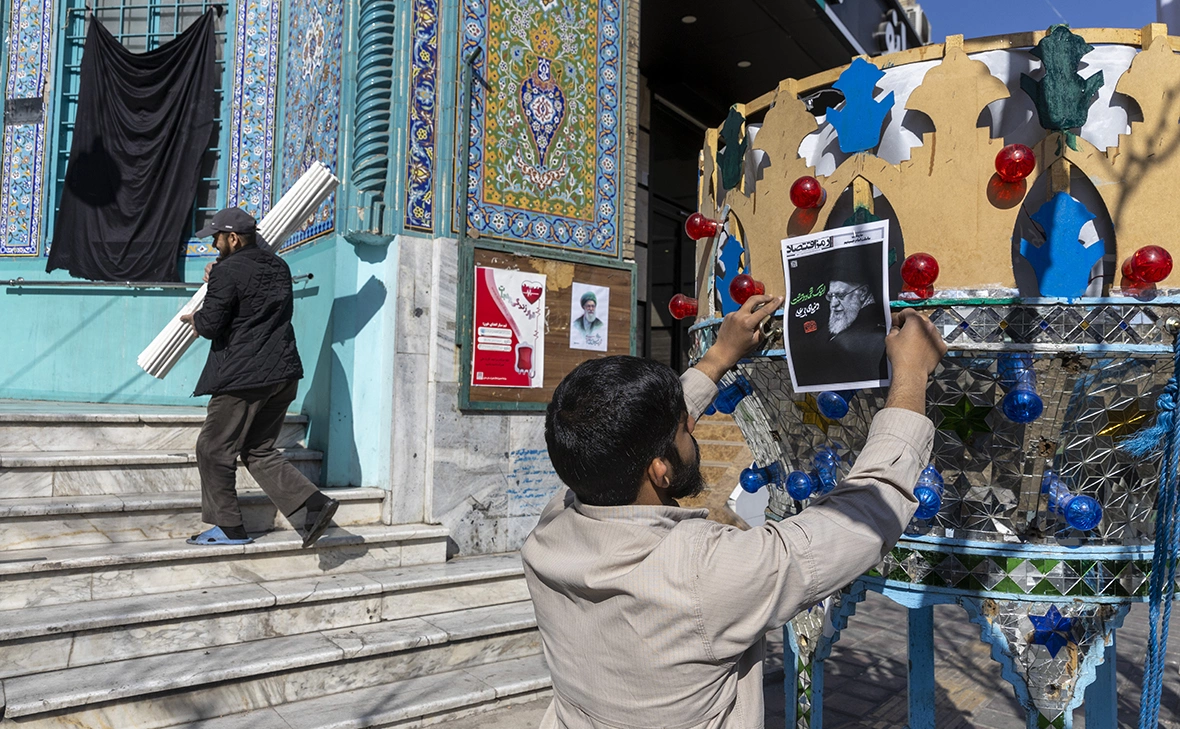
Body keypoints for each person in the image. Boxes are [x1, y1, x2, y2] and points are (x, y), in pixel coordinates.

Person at [521, 294, 946, 729]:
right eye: (682, 428)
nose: (692, 425)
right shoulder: (702, 573)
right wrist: (911, 374)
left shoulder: (553, 525)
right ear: (661, 470)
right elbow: (865, 511)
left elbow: (626, 436)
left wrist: (719, 356)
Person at [179, 207, 338, 548]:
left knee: (213, 447)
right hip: (283, 373)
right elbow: (251, 291)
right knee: (257, 448)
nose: (214, 245)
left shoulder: (227, 271)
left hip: (244, 376)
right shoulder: (278, 266)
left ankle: (229, 528)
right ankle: (314, 507)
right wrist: (220, 270)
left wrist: (194, 318)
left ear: (233, 238)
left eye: (217, 239)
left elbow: (210, 325)